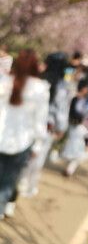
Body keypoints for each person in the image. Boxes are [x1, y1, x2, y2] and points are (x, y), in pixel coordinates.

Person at [0, 50, 49, 218]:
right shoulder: (40, 88)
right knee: (8, 183)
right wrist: (38, 146)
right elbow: (40, 121)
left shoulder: (5, 82)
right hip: (22, 143)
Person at [61, 79, 88, 176]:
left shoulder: (78, 99)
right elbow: (77, 113)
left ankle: (70, 168)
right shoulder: (78, 99)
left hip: (75, 126)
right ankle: (70, 168)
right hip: (77, 126)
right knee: (78, 149)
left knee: (75, 148)